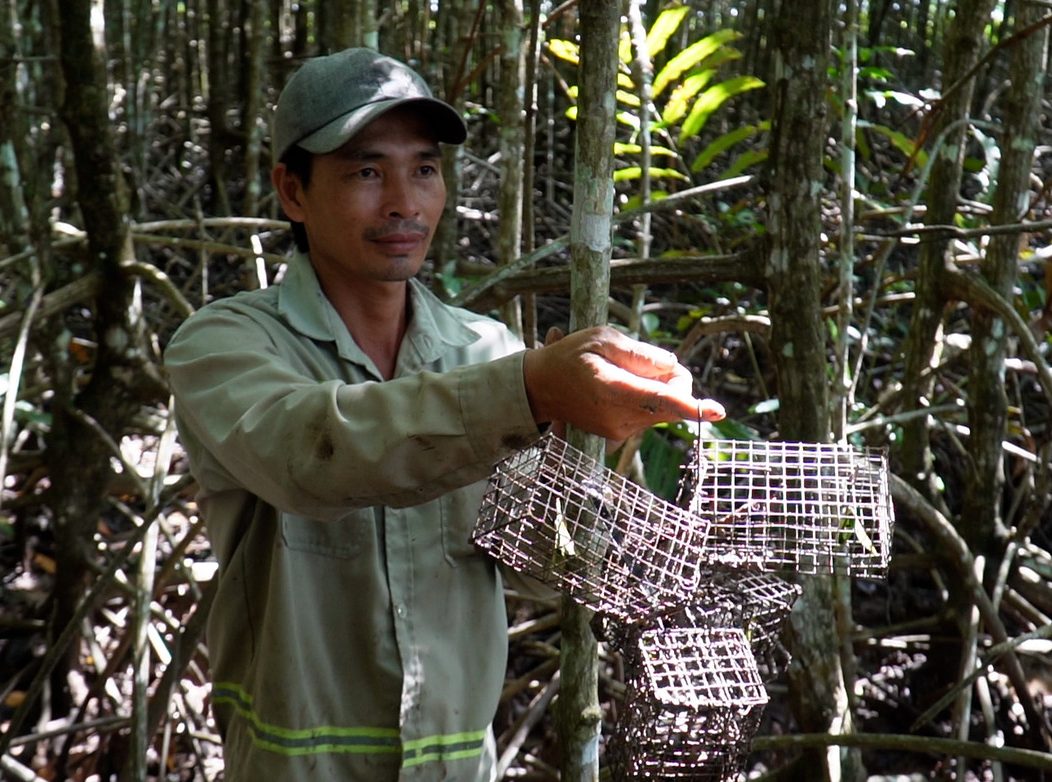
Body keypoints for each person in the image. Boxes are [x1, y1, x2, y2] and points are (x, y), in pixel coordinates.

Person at [164, 47, 725, 781]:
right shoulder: (224, 344)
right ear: (292, 192)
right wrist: (529, 392)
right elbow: (311, 455)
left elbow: (537, 567)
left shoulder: (483, 350)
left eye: (424, 169)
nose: (404, 201)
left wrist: (613, 453)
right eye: (367, 171)